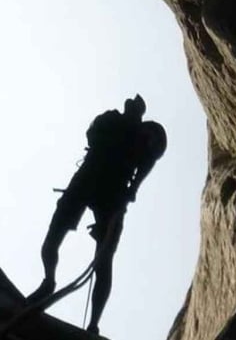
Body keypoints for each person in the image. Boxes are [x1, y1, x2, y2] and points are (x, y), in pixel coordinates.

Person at [28, 94, 167, 334]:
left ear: (140, 111)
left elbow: (148, 161)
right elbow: (92, 134)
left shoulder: (145, 133)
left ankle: (93, 323)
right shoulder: (112, 119)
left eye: (135, 104)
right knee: (53, 239)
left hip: (111, 192)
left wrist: (132, 190)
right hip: (89, 180)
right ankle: (48, 281)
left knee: (103, 259)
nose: (131, 102)